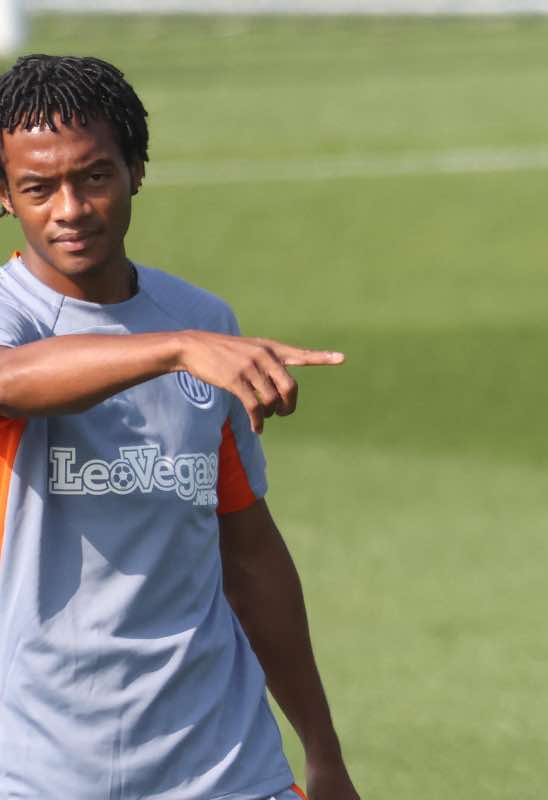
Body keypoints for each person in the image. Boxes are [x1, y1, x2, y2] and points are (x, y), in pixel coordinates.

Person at [0, 55, 359, 799]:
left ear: (136, 170)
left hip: (226, 768)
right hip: (42, 772)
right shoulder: (21, 318)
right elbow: (11, 381)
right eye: (38, 188)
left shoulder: (201, 321)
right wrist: (172, 350)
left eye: (94, 176)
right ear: (4, 196)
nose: (70, 208)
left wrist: (322, 752)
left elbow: (248, 552)